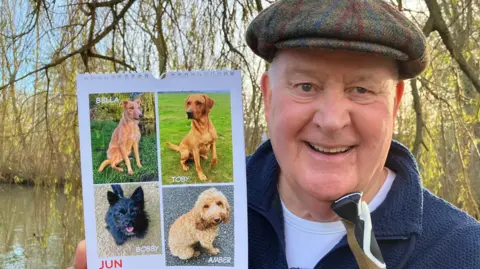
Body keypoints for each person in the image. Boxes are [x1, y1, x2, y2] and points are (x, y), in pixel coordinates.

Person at [69, 0, 480, 268]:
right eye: (306, 86)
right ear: (267, 97)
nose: (333, 120)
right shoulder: (192, 215)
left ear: (394, 103)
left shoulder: (465, 253)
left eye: (361, 89)